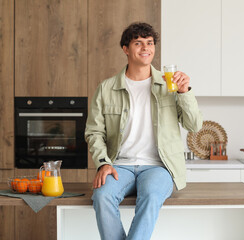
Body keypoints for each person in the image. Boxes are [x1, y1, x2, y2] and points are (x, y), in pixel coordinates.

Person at [85, 22, 203, 240]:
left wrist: (185, 92)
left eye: (149, 43)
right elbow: (94, 132)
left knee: (150, 196)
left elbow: (194, 125)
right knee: (101, 197)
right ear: (125, 49)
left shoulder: (171, 85)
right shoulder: (106, 88)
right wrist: (103, 162)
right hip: (119, 166)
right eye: (138, 43)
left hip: (159, 167)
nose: (145, 48)